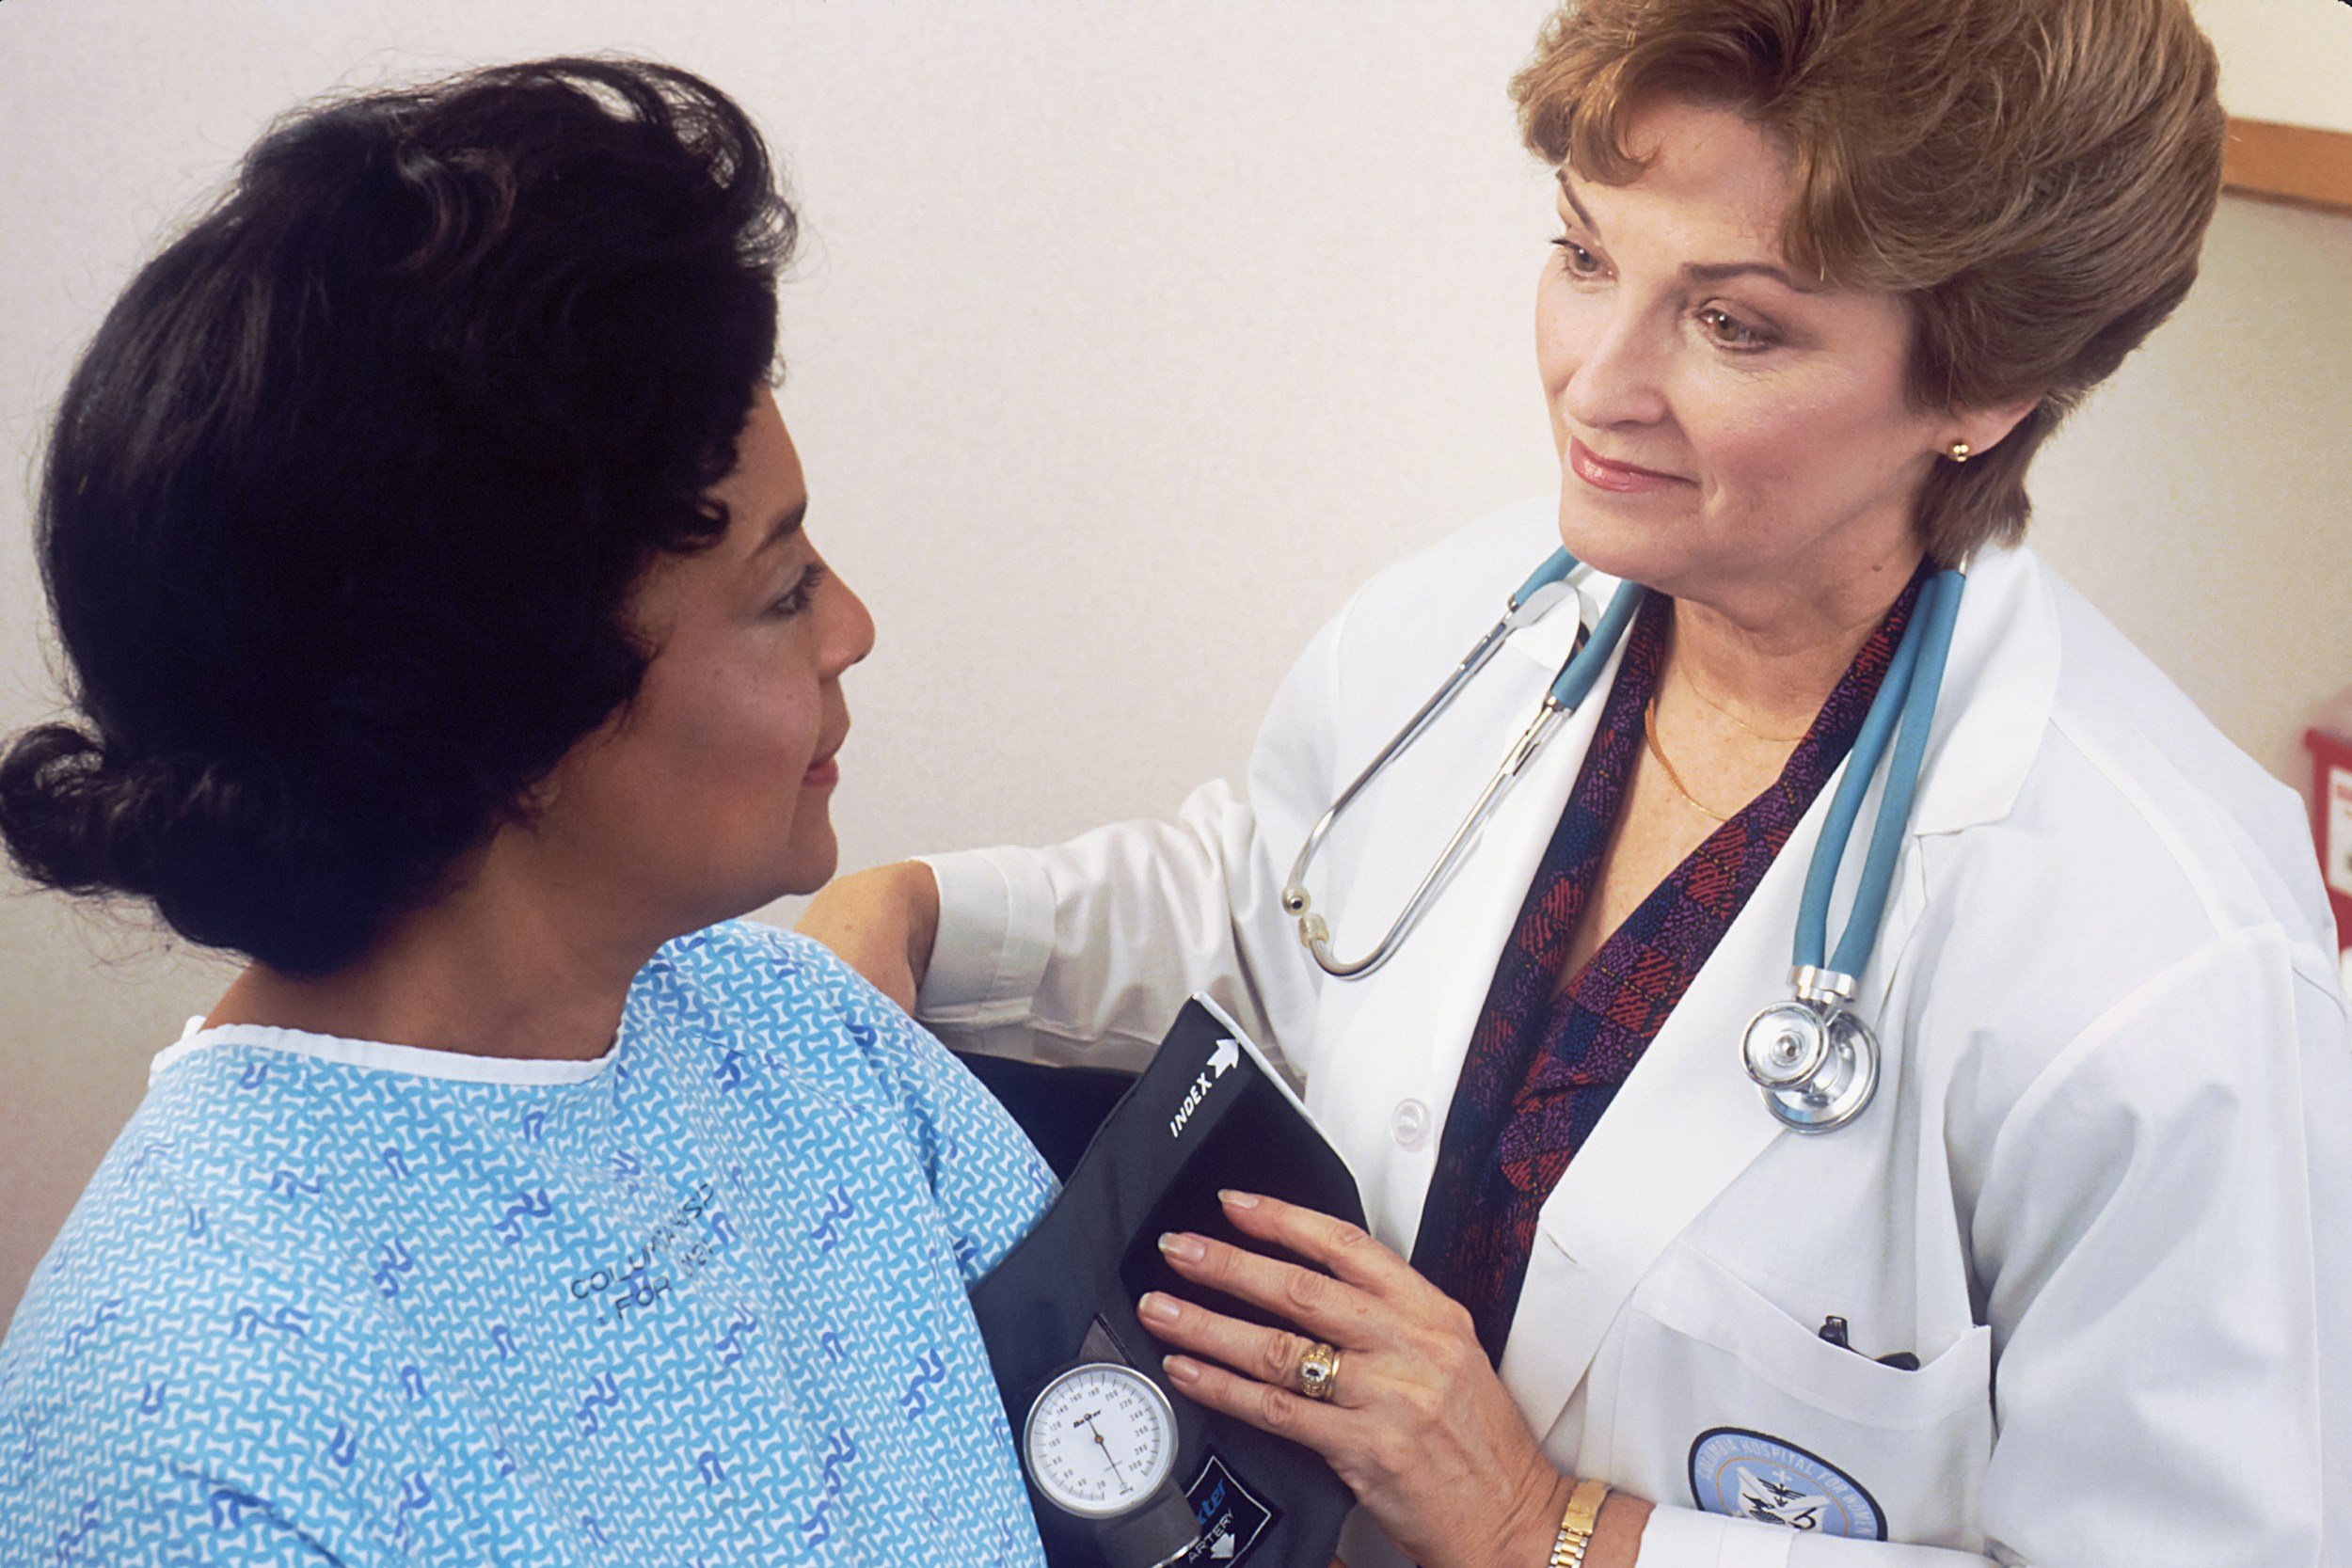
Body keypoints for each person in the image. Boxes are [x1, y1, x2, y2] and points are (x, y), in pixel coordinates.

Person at [798, 1, 2352, 1563]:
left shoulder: (2166, 957)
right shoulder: (1478, 618)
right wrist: (925, 915)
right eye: (1586, 255)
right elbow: (1278, 902)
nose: (1594, 385)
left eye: (1734, 324)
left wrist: (1551, 1527)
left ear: (1986, 390)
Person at [0, 59, 1057, 1565]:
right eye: (780, 592)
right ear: (507, 720)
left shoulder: (797, 1038)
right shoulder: (188, 1436)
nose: (855, 628)